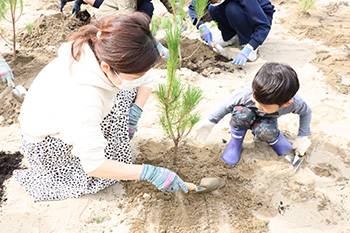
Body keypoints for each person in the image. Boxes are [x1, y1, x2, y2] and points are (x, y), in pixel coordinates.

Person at [14, 13, 188, 201]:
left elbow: (145, 77)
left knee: (126, 91)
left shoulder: (101, 49)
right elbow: (94, 165)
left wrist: (135, 112)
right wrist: (150, 173)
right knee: (99, 172)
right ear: (106, 67)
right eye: (136, 74)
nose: (142, 77)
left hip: (76, 116)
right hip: (50, 146)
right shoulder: (82, 98)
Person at [194, 62, 312, 166]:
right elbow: (226, 106)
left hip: (268, 118)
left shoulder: (294, 103)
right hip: (245, 113)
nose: (258, 106)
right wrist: (210, 122)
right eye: (255, 100)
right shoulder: (247, 94)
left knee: (265, 131)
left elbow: (306, 113)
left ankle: (273, 139)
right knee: (241, 115)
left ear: (286, 104)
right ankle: (235, 143)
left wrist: (302, 136)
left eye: (264, 106)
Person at [188, 0, 275, 66]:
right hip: (235, 7)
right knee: (213, 8)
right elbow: (193, 8)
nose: (213, 1)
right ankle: (231, 36)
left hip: (259, 14)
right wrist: (201, 26)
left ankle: (247, 41)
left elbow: (263, 26)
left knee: (232, 8)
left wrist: (250, 46)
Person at [95, 0, 170, 59]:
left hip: (129, 14)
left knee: (147, 7)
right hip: (107, 20)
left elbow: (170, 3)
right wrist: (156, 44)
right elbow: (130, 21)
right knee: (135, 28)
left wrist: (180, 15)